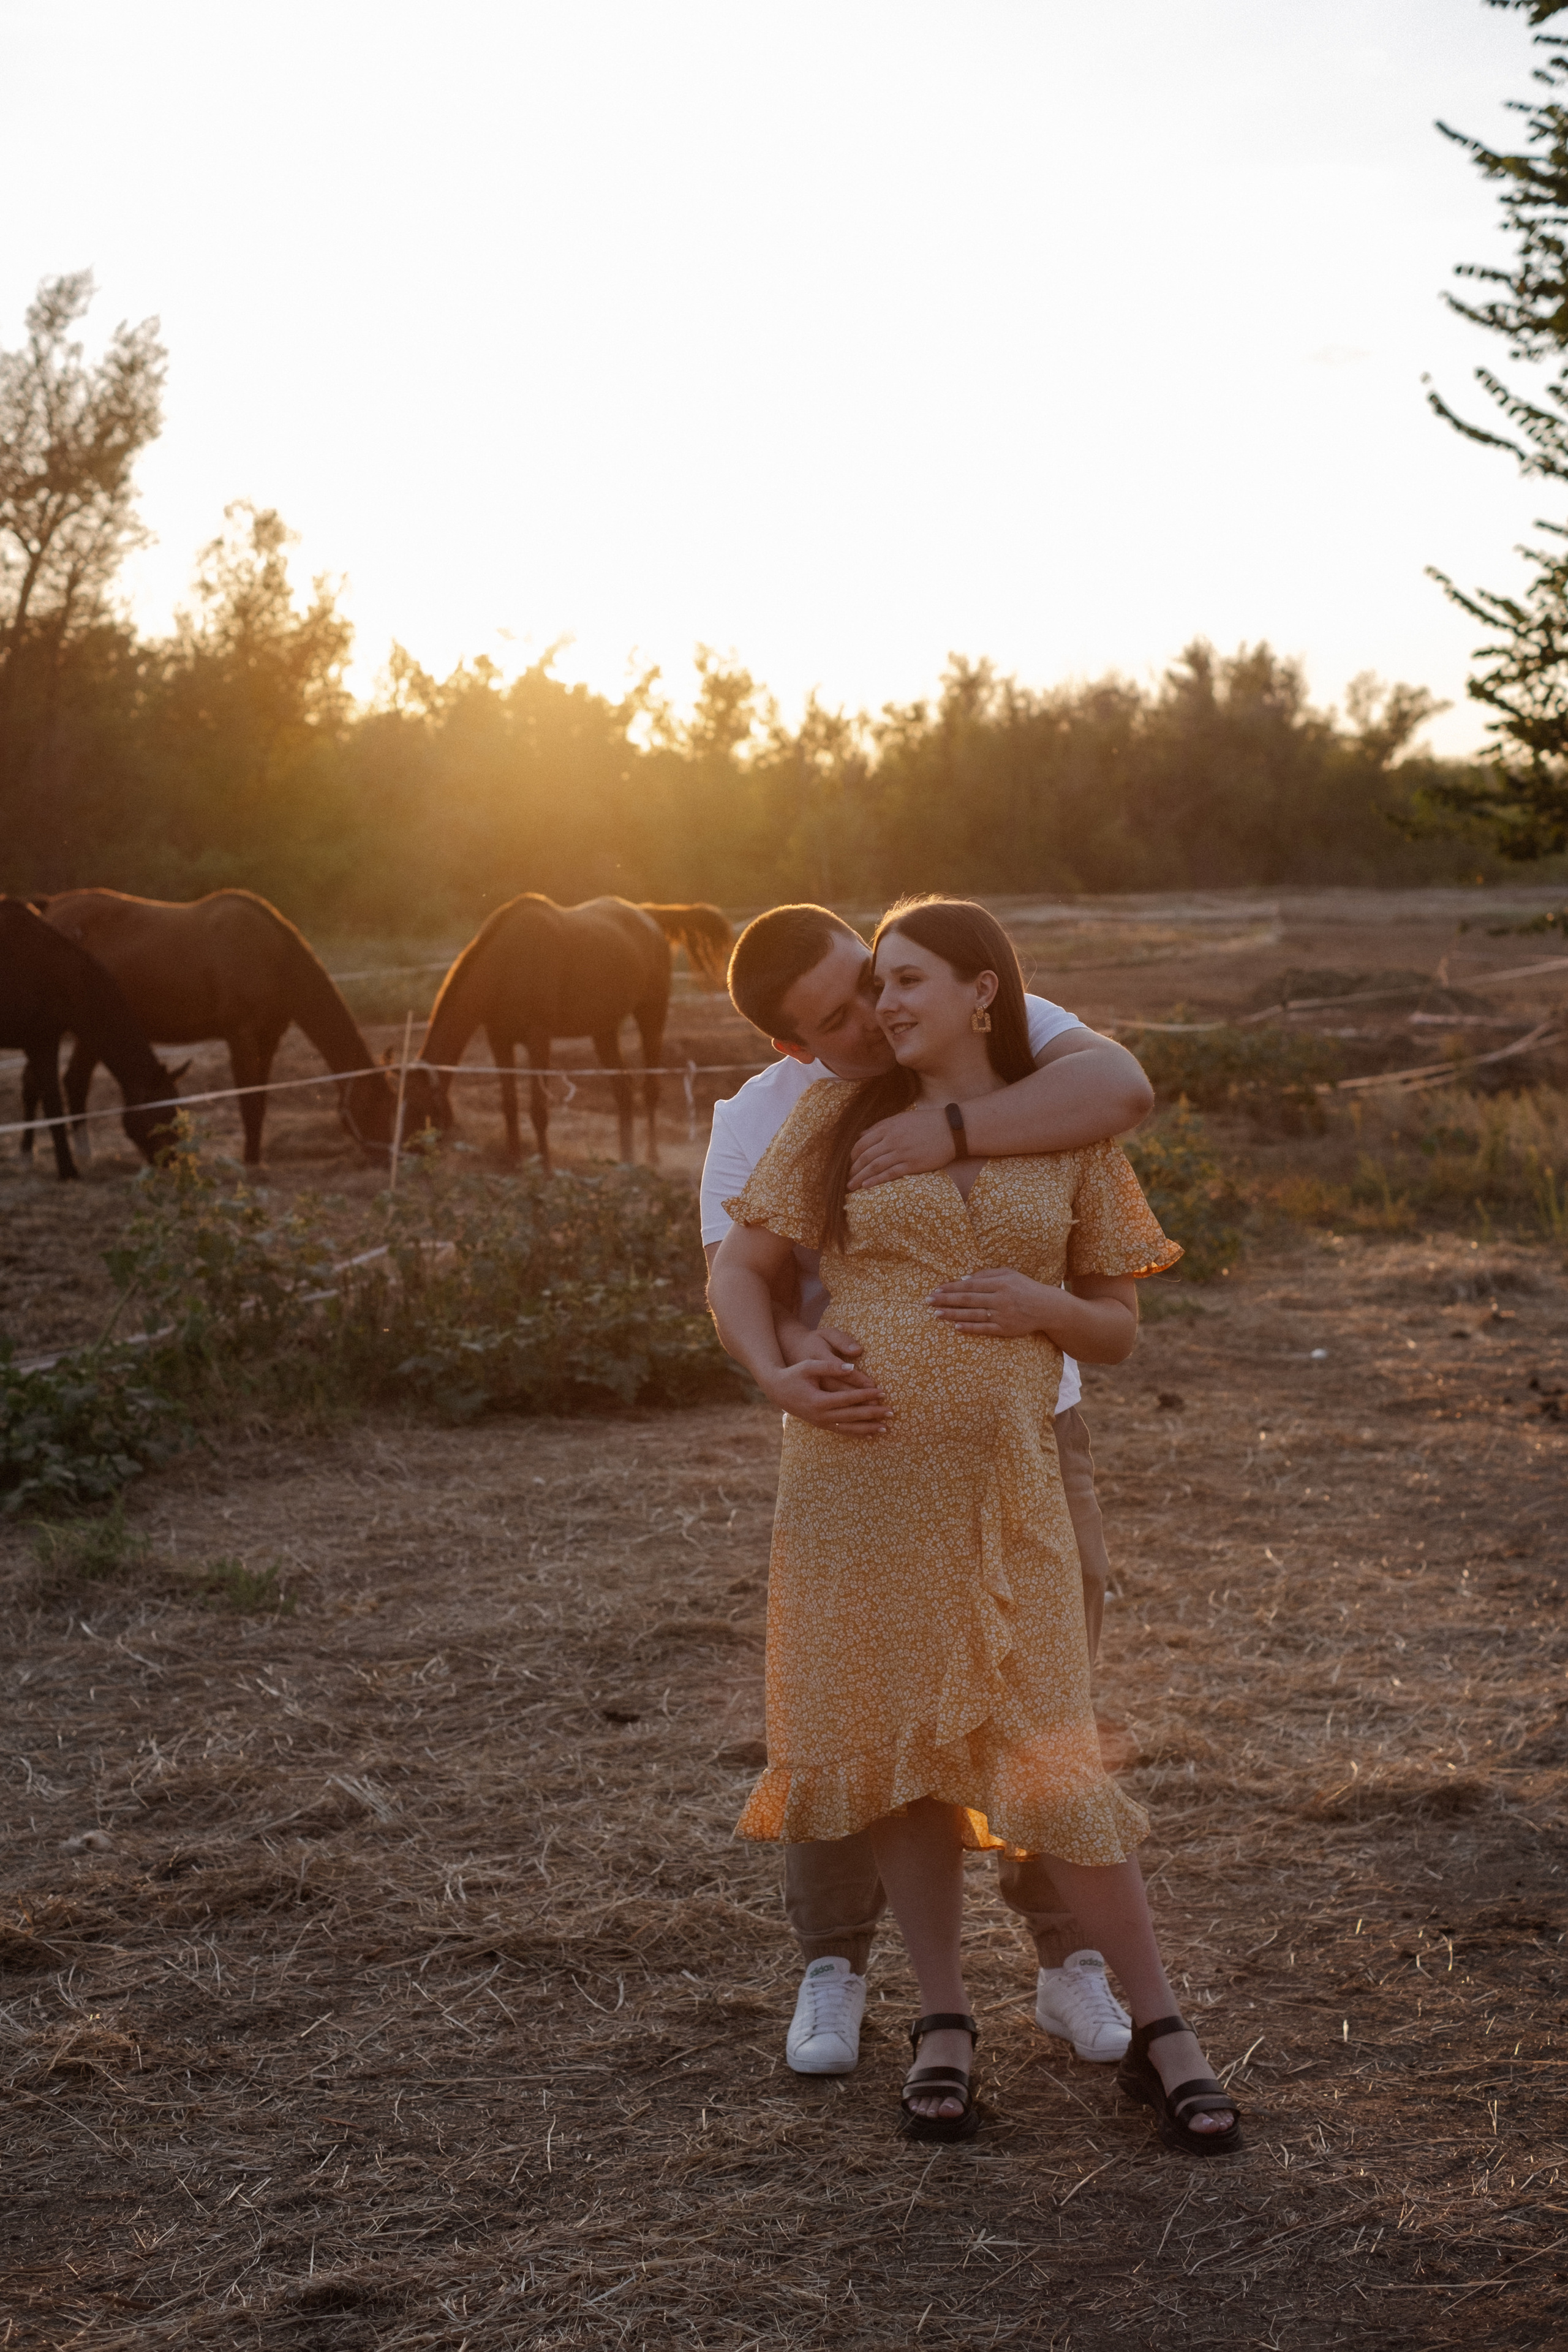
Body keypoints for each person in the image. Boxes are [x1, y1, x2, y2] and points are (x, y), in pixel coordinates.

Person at [708, 898, 1240, 2153]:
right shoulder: (829, 1118)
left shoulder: (1062, 1119)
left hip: (1008, 1479)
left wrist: (1042, 1306)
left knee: (1051, 1742)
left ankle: (1161, 2028)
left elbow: (1117, 1327)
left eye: (899, 982)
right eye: (862, 996)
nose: (880, 1009)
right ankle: (941, 2020)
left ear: (981, 991)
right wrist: (780, 1369)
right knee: (902, 1750)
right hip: (857, 1478)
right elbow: (742, 1268)